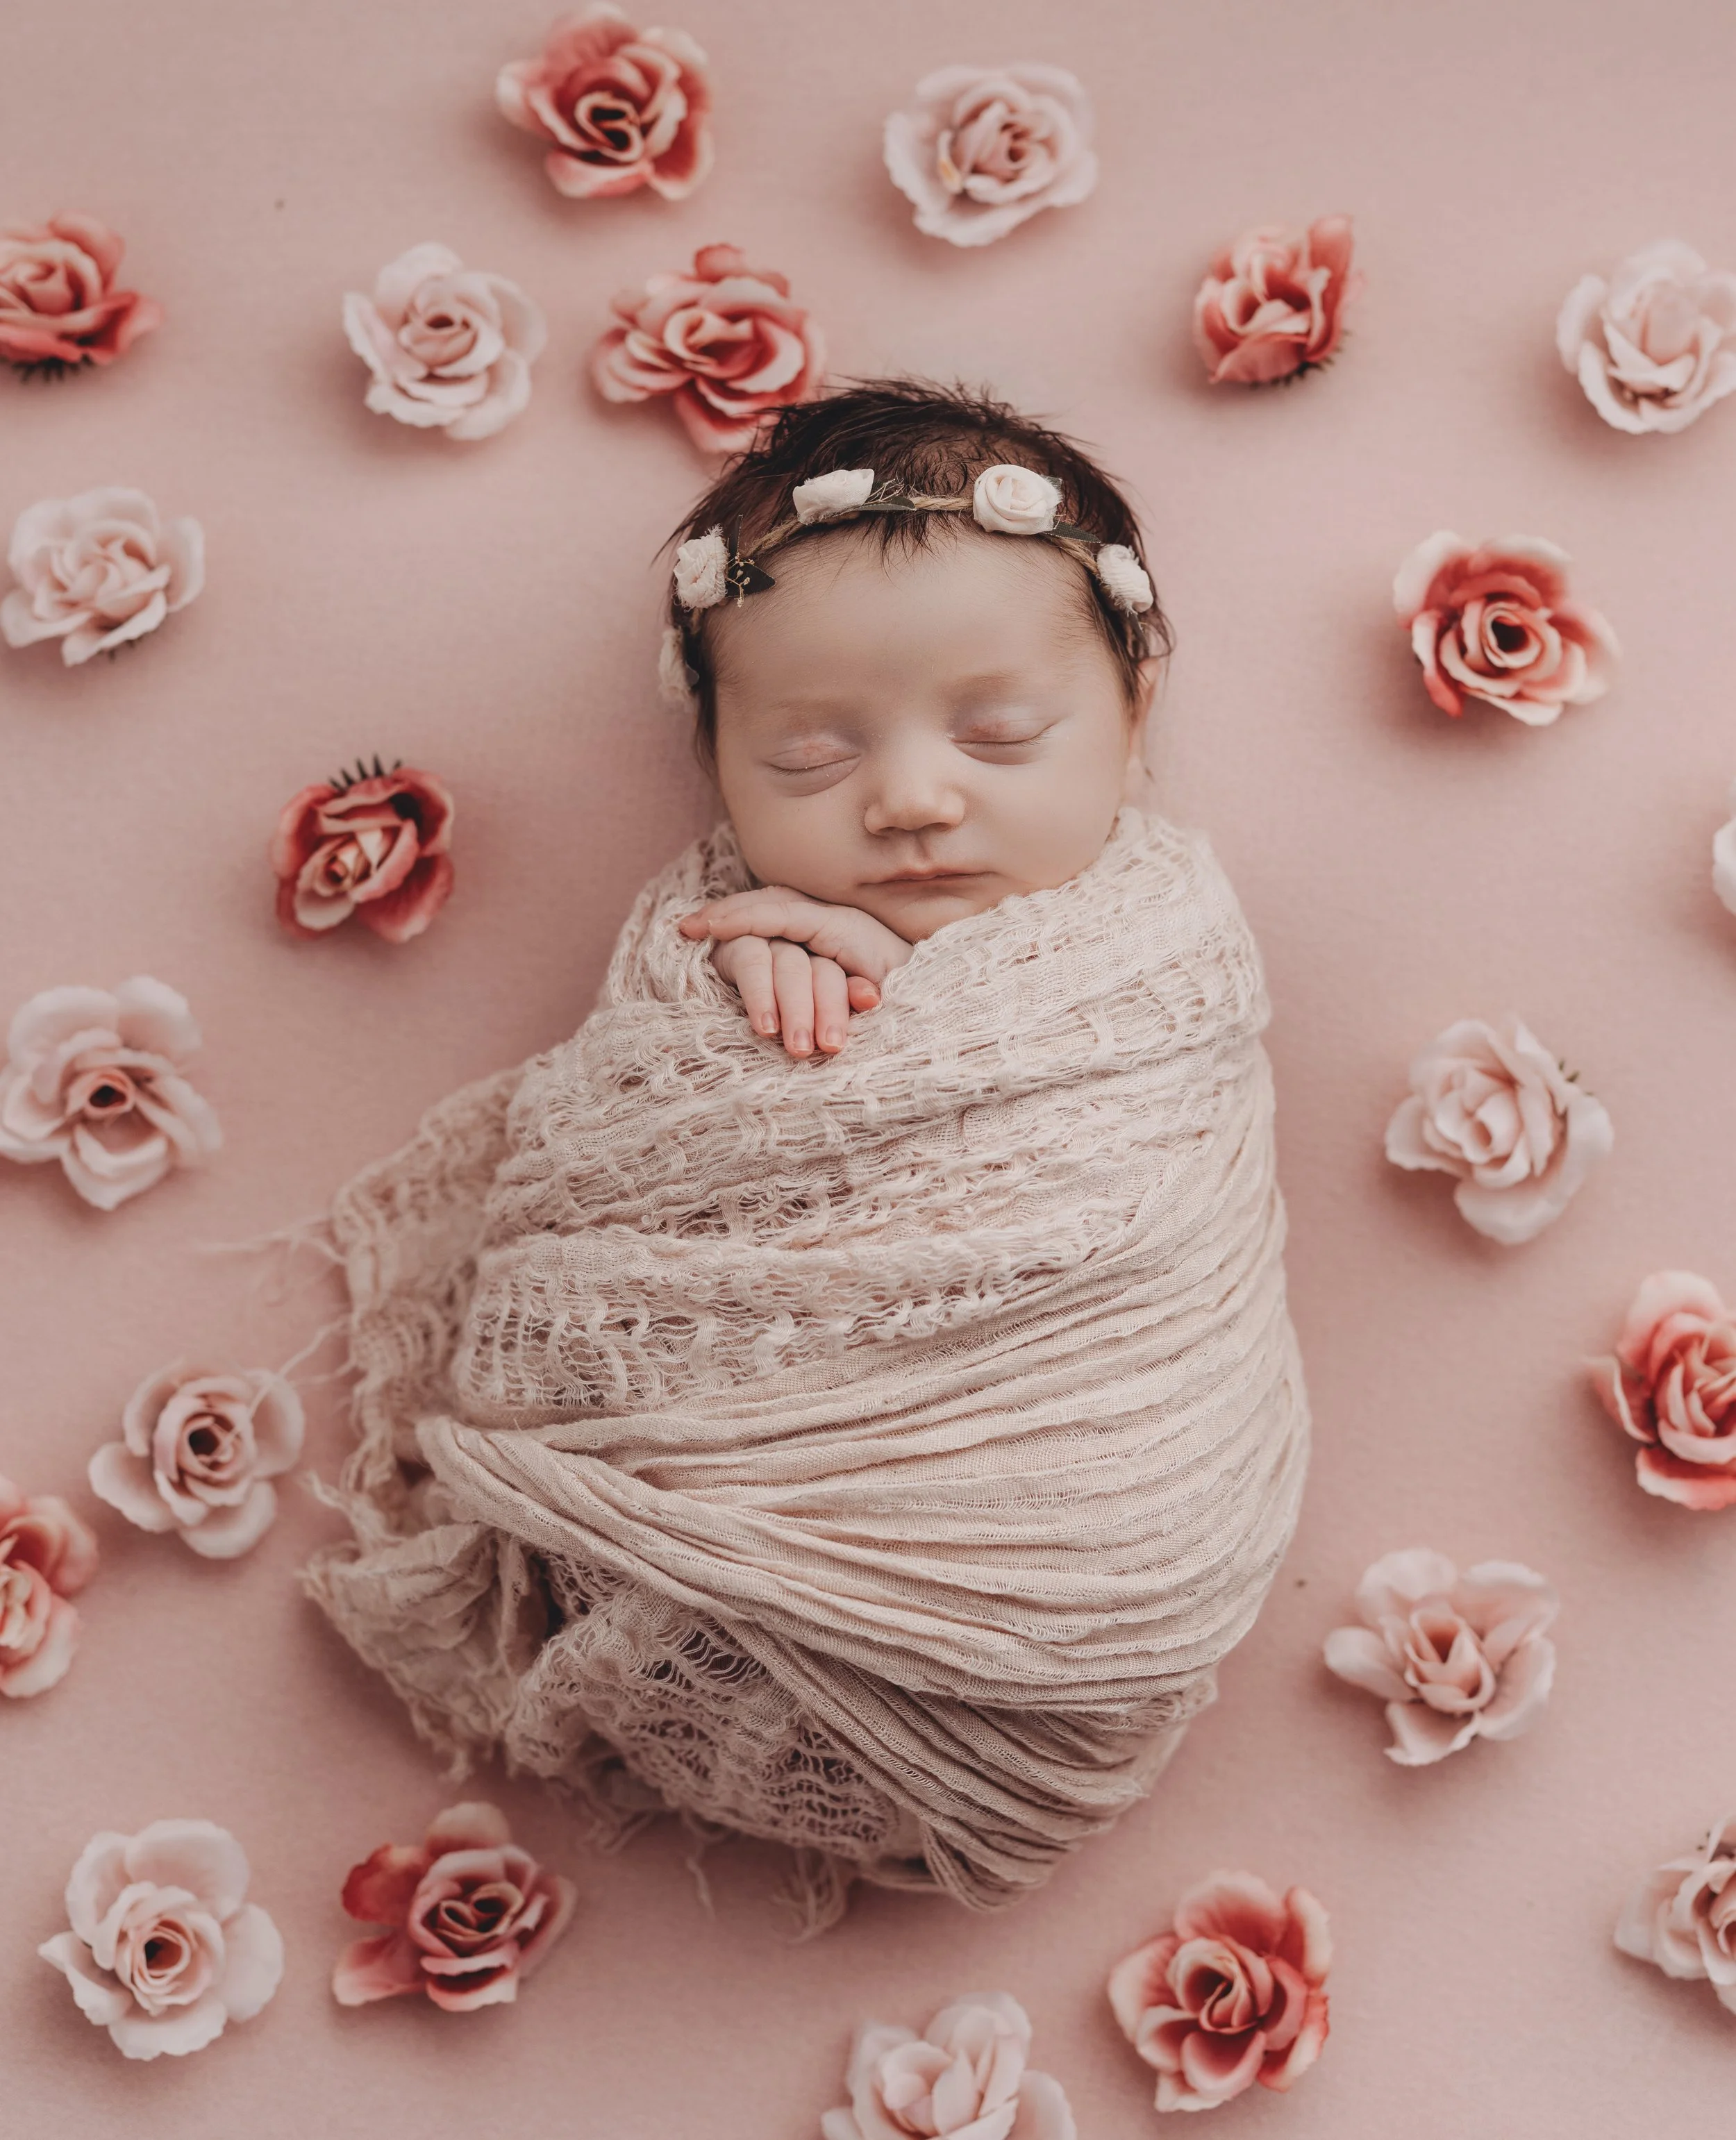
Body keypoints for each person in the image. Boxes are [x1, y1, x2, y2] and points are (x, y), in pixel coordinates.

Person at [307, 378, 1308, 1926]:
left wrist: (895, 986)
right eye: (808, 759)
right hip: (733, 1567)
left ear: (1135, 703)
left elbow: (1122, 1200)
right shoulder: (707, 954)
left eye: (997, 731)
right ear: (711, 760)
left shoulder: (1151, 956)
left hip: (1094, 1565)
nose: (911, 797)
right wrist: (747, 1026)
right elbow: (635, 1158)